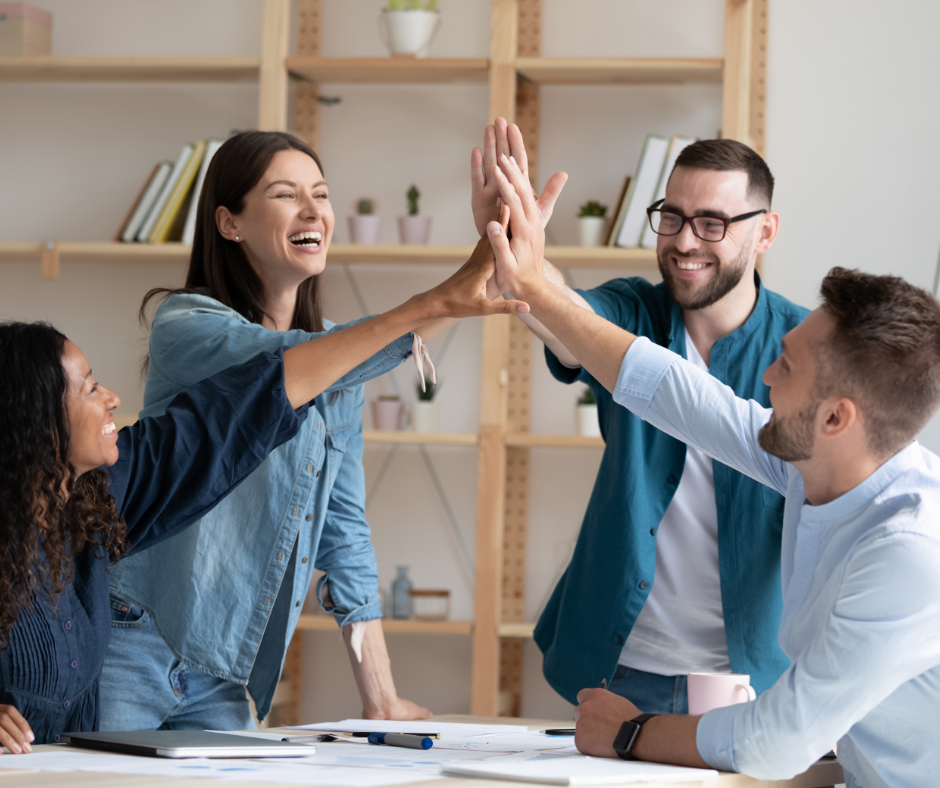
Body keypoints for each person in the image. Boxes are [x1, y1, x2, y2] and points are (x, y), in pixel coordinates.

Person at [485, 150, 940, 788]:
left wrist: (628, 733)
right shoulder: (812, 464)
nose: (763, 377)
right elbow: (679, 396)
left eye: (785, 369)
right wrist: (529, 281)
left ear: (836, 419)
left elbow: (774, 741)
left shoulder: (910, 550)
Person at [0, 265, 523, 751]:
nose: (112, 396)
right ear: (37, 421)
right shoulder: (186, 322)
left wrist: (436, 304)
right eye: (90, 388)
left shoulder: (102, 493)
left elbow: (243, 407)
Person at [100, 130, 511, 731]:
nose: (314, 209)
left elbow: (343, 532)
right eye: (286, 194)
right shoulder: (186, 325)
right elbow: (282, 367)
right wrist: (449, 293)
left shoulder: (339, 365)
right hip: (130, 639)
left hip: (223, 666)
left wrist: (381, 696)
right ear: (229, 223)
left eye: (321, 193)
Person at [471, 120, 808, 712]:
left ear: (766, 232)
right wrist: (518, 255)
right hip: (619, 668)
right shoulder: (633, 310)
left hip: (755, 677)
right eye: (672, 216)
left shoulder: (806, 348)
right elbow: (569, 321)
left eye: (712, 223)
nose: (683, 241)